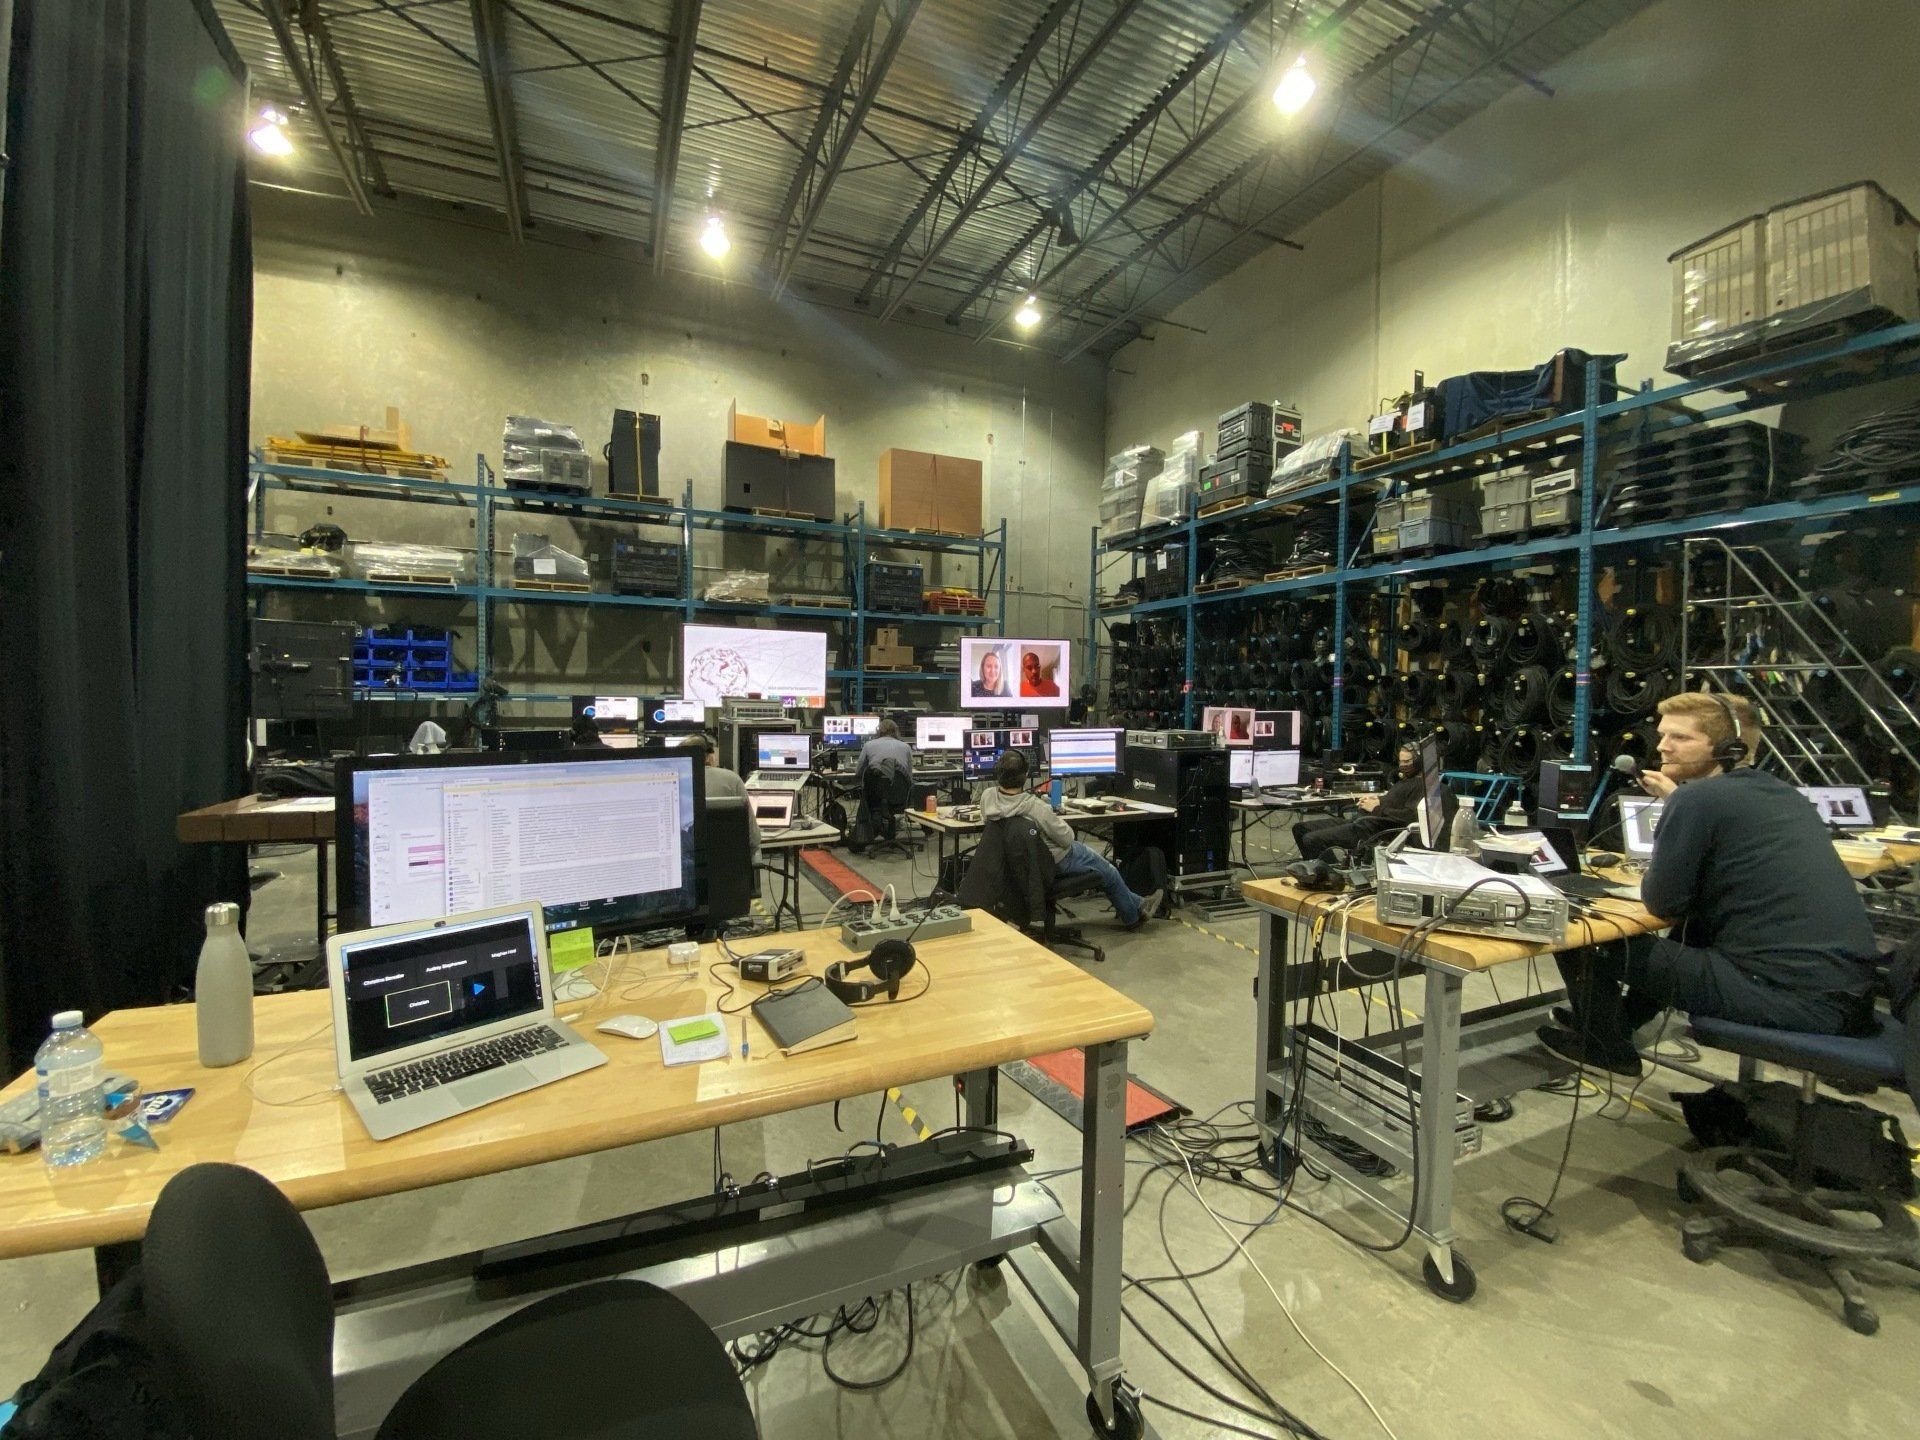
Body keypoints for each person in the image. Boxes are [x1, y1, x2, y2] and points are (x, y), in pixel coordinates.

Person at [1538, 692, 1878, 1077]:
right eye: (1663, 735)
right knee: (1692, 929)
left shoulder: (1698, 799)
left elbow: (1663, 902)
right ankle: (1617, 1023)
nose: (1662, 747)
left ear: (1728, 747)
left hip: (1786, 998)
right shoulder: (1784, 794)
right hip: (1848, 994)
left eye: (1680, 738)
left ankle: (1606, 1049)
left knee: (1579, 930)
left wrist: (1678, 807)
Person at [982, 749, 1160, 928]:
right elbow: (1067, 838)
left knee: (1103, 869)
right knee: (1109, 871)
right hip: (1053, 861)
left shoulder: (987, 798)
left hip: (1014, 864)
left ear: (998, 774)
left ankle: (1138, 903)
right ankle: (1133, 918)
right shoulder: (1035, 807)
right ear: (1026, 775)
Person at [1292, 744, 1422, 863]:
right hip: (1360, 821)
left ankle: (1331, 876)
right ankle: (1322, 870)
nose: (1402, 765)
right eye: (1401, 761)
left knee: (1312, 840)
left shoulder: (1419, 785)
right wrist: (1377, 800)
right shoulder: (1406, 780)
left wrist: (1376, 808)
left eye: (1407, 762)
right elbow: (1394, 802)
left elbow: (1409, 817)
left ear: (1417, 762)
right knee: (1299, 829)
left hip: (1371, 830)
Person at [687, 734, 760, 865]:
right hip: (730, 872)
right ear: (710, 756)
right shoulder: (732, 779)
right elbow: (753, 837)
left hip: (689, 870)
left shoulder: (674, 782)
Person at [853, 716, 914, 785]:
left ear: (878, 731)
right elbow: (909, 776)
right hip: (900, 792)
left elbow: (858, 771)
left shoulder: (868, 745)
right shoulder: (906, 747)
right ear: (896, 731)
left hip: (875, 792)